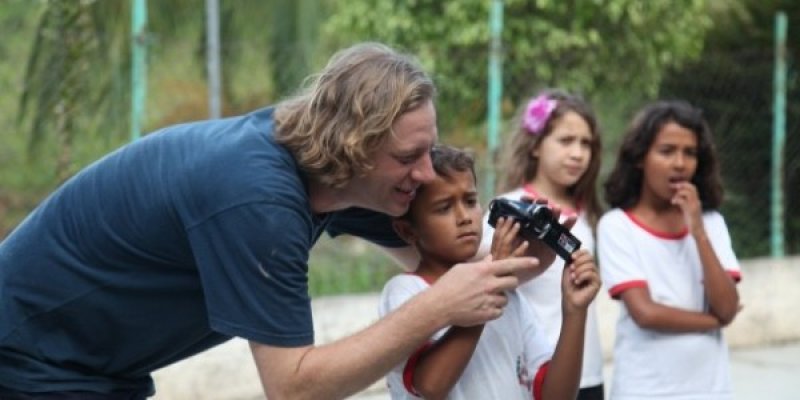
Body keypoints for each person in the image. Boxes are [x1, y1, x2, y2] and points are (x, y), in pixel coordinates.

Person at [0, 43, 560, 399]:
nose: (425, 174)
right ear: (353, 145)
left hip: (99, 369)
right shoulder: (258, 200)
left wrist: (526, 249)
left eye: (428, 152)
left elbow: (447, 262)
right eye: (408, 158)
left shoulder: (340, 174)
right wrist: (435, 308)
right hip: (30, 360)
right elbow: (294, 388)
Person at [380, 144, 601, 399]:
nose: (465, 217)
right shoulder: (405, 291)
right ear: (407, 230)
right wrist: (490, 285)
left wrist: (574, 311)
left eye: (471, 201)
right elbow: (430, 385)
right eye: (444, 207)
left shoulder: (509, 296)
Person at [597, 100, 742, 399]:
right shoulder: (617, 226)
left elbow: (727, 305)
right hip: (645, 389)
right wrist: (713, 322)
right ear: (640, 158)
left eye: (690, 153)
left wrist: (697, 230)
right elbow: (646, 313)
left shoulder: (711, 223)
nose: (680, 163)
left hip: (711, 389)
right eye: (667, 151)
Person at [478, 89, 606, 399]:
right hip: (534, 375)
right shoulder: (506, 209)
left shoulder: (590, 212)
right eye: (566, 141)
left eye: (586, 143)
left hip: (587, 371)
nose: (578, 153)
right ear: (535, 145)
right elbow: (482, 273)